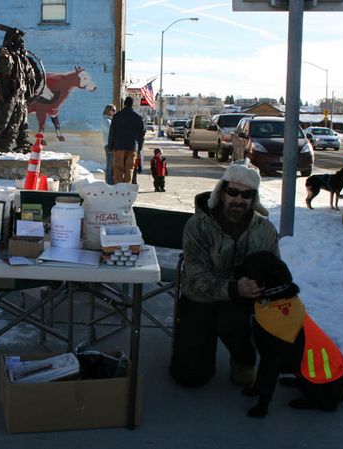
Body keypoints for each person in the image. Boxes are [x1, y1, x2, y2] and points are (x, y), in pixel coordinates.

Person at [169, 161, 280, 388]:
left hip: (243, 303)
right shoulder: (198, 226)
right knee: (190, 377)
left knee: (239, 331)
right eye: (233, 192)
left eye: (246, 194)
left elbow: (275, 272)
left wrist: (258, 289)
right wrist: (233, 287)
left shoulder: (265, 231)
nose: (239, 199)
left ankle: (244, 358)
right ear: (222, 192)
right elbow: (197, 278)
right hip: (201, 299)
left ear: (254, 198)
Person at [0, 24, 41, 153]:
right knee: (14, 122)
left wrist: (31, 90)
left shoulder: (23, 58)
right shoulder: (8, 56)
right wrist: (5, 58)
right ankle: (4, 146)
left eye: (22, 40)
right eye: (18, 39)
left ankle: (24, 145)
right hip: (14, 95)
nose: (22, 42)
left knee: (23, 122)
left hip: (23, 95)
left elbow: (31, 76)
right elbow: (5, 71)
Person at [107, 96, 145, 184]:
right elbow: (141, 135)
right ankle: (126, 189)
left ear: (124, 104)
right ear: (132, 104)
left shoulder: (117, 116)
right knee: (129, 169)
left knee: (118, 168)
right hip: (132, 147)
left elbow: (112, 132)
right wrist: (139, 149)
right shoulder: (138, 118)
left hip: (119, 146)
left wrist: (110, 146)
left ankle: (119, 188)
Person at [101, 104, 116, 184]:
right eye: (113, 110)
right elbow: (112, 132)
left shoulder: (110, 120)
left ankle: (111, 181)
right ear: (108, 111)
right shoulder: (106, 121)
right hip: (108, 145)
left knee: (112, 165)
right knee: (109, 165)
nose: (115, 112)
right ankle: (109, 182)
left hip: (110, 145)